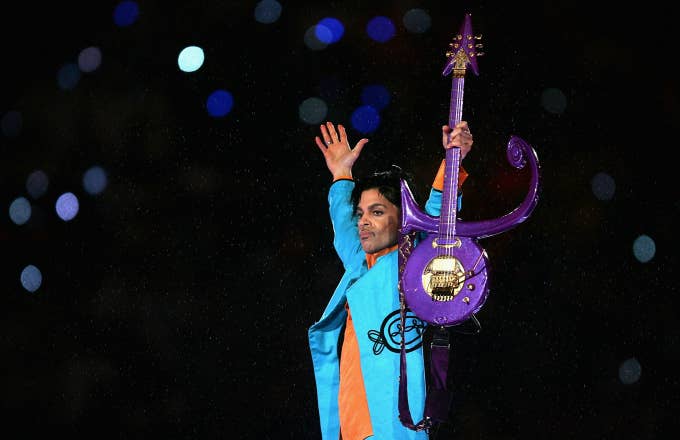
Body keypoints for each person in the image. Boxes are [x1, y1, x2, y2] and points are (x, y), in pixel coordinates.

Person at [307, 120, 473, 439]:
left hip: (394, 428)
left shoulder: (412, 262)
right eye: (361, 214)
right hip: (351, 430)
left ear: (404, 217)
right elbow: (344, 229)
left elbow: (439, 216)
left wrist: (452, 163)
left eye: (377, 212)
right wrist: (341, 175)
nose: (364, 222)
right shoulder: (361, 268)